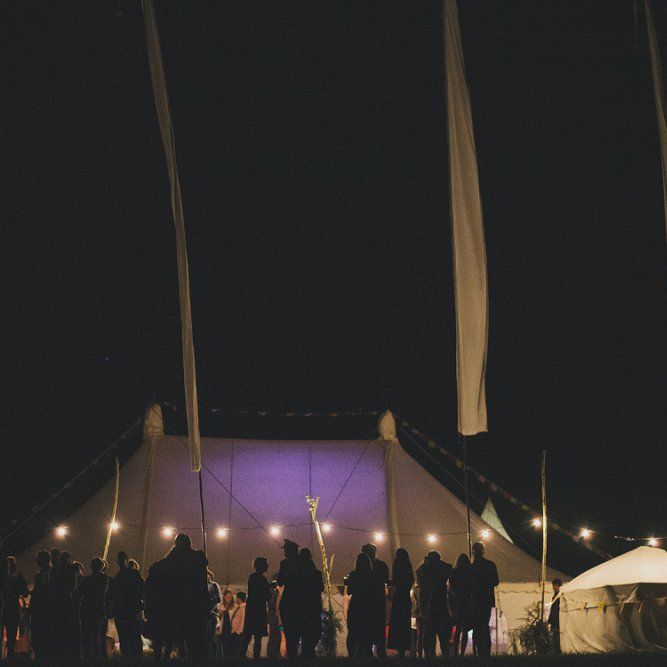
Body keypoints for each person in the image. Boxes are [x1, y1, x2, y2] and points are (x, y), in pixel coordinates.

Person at [346, 552, 386, 658]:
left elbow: (349, 591)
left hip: (356, 605)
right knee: (367, 630)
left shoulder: (354, 574)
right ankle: (367, 653)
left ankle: (353, 655)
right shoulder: (373, 575)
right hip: (369, 606)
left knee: (354, 631)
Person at [416, 550, 452, 657]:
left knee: (429, 633)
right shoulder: (440, 570)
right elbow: (449, 568)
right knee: (442, 633)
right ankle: (444, 655)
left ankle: (429, 655)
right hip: (439, 604)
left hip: (427, 605)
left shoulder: (423, 570)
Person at [110, 551, 144, 658]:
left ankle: (129, 656)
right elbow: (141, 589)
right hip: (130, 609)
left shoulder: (119, 576)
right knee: (132, 635)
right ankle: (135, 656)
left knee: (127, 635)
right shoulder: (132, 574)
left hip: (125, 609)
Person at [77, 557, 110, 659]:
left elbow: (79, 591)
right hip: (97, 609)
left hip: (87, 609)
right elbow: (102, 593)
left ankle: (87, 656)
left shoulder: (86, 579)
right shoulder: (104, 578)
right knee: (96, 635)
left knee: (87, 635)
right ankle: (96, 657)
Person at [470, 541, 499, 656]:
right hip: (486, 600)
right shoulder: (490, 565)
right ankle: (485, 651)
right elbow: (495, 581)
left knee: (477, 626)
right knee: (484, 626)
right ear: (483, 551)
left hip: (476, 600)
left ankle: (480, 651)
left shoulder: (472, 567)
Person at [361, 542, 389, 658]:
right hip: (379, 600)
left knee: (367, 627)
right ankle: (381, 653)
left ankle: (368, 653)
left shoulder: (361, 568)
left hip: (366, 602)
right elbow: (386, 580)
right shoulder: (382, 565)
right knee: (380, 627)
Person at [241, 557, 272, 658]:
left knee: (247, 636)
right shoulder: (262, 579)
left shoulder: (252, 577)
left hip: (251, 610)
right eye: (265, 564)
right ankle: (256, 658)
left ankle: (241, 657)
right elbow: (267, 596)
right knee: (258, 637)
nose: (267, 566)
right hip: (259, 611)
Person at [52, 550, 80, 657]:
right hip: (65, 600)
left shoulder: (61, 570)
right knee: (65, 626)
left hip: (63, 600)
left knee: (63, 626)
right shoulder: (70, 570)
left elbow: (72, 587)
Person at [276, 539, 301, 658]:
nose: (285, 552)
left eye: (286, 550)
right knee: (296, 631)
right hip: (299, 601)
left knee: (290, 631)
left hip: (289, 601)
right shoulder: (302, 562)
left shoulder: (284, 564)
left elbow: (280, 581)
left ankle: (292, 656)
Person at [297, 548, 324, 658]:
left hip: (303, 607)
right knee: (314, 630)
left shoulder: (298, 574)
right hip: (312, 606)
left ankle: (306, 652)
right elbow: (321, 587)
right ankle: (309, 652)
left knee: (305, 631)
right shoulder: (315, 573)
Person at [387, 548, 414, 657]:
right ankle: (404, 648)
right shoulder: (408, 569)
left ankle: (398, 648)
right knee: (405, 624)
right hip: (405, 598)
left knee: (397, 624)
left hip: (398, 598)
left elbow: (395, 582)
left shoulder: (397, 567)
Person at [1, 557, 29, 659]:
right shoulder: (15, 579)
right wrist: (21, 578)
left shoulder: (7, 580)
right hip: (12, 612)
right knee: (11, 641)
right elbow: (25, 593)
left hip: (6, 611)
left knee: (10, 640)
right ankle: (9, 660)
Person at [30, 550, 53, 660]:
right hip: (45, 610)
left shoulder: (43, 574)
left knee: (39, 637)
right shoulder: (49, 573)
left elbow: (39, 593)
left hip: (41, 611)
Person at [449, 553, 474, 655]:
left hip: (457, 603)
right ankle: (462, 652)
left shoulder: (454, 573)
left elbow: (451, 589)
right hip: (467, 602)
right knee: (465, 630)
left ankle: (455, 651)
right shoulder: (469, 572)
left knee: (458, 628)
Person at [216, 589, 237, 657]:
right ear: (224, 597)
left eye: (231, 597)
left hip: (231, 628)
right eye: (228, 597)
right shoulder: (220, 606)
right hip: (223, 628)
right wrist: (221, 613)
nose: (229, 599)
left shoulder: (234, 606)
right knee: (222, 644)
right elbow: (217, 617)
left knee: (230, 645)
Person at [207, 570, 222, 656]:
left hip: (211, 614)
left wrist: (209, 601)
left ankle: (213, 656)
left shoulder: (214, 585)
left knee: (211, 636)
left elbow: (219, 599)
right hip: (202, 615)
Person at [266, 574, 281, 659]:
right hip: (274, 619)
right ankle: (271, 656)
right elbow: (271, 603)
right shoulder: (272, 590)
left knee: (278, 638)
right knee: (273, 638)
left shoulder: (278, 590)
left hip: (279, 619)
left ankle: (277, 655)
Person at [547, 578, 563, 653]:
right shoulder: (556, 595)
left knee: (556, 638)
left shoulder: (559, 596)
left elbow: (555, 610)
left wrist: (550, 621)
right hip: (555, 621)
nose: (553, 587)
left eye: (554, 585)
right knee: (555, 638)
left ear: (558, 586)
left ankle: (557, 652)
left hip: (557, 621)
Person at [231, 591, 247, 655]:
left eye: (236, 598)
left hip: (239, 633)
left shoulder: (243, 608)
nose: (235, 599)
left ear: (239, 599)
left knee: (237, 650)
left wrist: (238, 632)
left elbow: (243, 621)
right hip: (236, 632)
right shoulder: (240, 607)